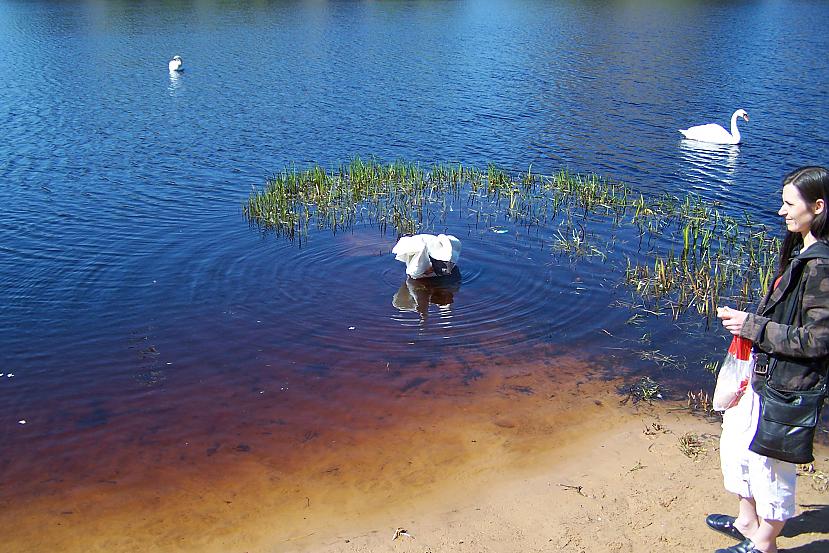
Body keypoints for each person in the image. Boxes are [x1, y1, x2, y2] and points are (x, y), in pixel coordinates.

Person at [712, 166, 829, 553]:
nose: (781, 211)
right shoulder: (802, 250)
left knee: (772, 466)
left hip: (789, 384)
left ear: (818, 206)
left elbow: (818, 341)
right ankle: (747, 520)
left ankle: (765, 543)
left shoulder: (822, 265)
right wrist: (752, 325)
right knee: (739, 443)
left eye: (788, 204)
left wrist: (753, 326)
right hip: (765, 374)